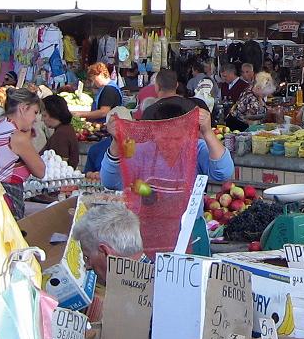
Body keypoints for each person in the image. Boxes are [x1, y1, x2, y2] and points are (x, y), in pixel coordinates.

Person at [103, 97, 234, 186]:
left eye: (177, 135)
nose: (170, 140)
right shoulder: (142, 150)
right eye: (164, 134)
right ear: (154, 131)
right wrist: (116, 141)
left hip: (189, 219)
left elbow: (223, 173)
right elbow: (111, 182)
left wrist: (208, 132)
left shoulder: (196, 148)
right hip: (145, 218)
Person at [0, 87, 47, 218]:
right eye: (35, 112)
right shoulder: (16, 137)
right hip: (6, 197)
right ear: (23, 108)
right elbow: (40, 171)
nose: (36, 119)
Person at [74, 200, 146, 321]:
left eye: (87, 257)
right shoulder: (155, 278)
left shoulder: (135, 301)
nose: (87, 266)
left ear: (105, 252)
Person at [41, 93, 80, 165]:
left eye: (44, 116)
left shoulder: (61, 135)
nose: (42, 119)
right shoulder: (66, 128)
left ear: (54, 114)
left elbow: (59, 164)